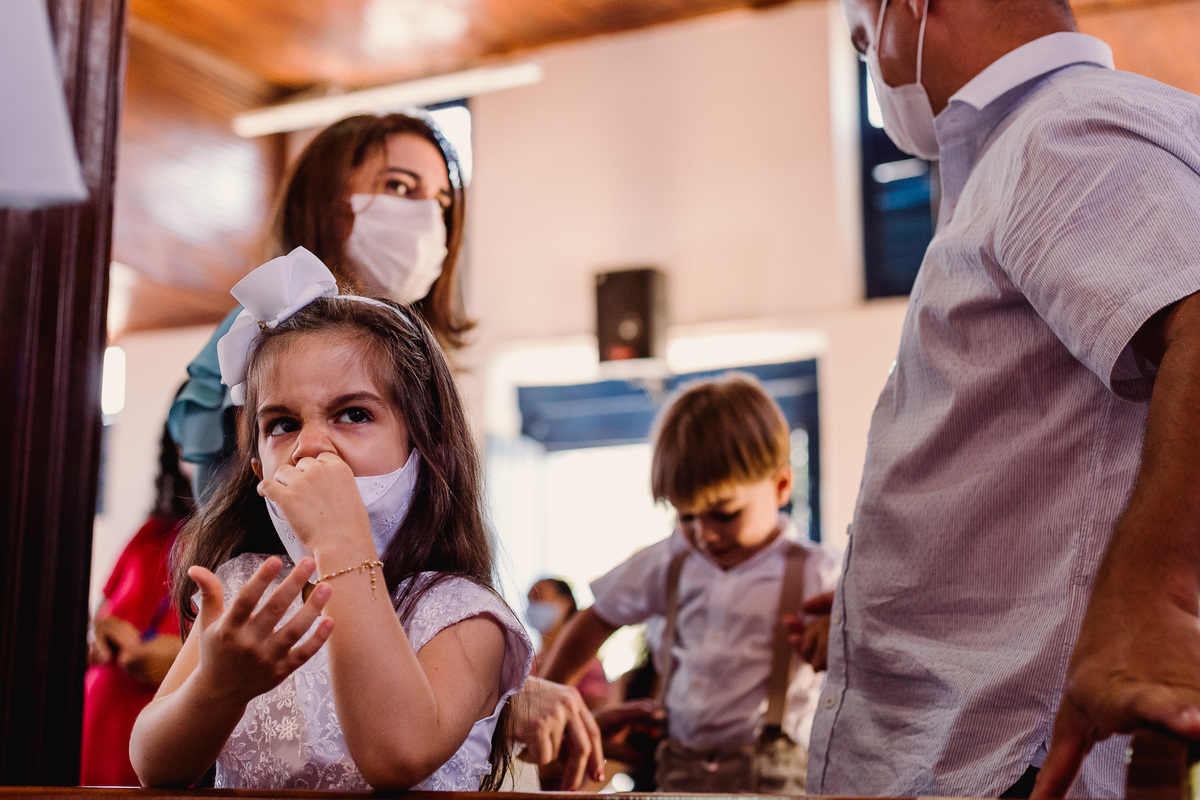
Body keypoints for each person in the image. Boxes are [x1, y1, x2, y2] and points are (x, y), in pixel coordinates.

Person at [804, 1, 1200, 798]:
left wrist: (1155, 598)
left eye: (860, 40)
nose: (871, 69)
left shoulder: (1065, 132)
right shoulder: (1044, 145)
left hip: (1003, 768)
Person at [129, 247, 532, 790]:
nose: (311, 446)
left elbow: (397, 756)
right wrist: (218, 689)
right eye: (282, 424)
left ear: (425, 444)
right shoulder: (250, 589)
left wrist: (342, 542)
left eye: (354, 414)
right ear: (257, 469)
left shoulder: (462, 615)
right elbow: (154, 763)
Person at [541, 373, 841, 793]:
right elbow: (595, 620)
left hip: (775, 771)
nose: (705, 534)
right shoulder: (669, 560)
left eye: (724, 513)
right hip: (678, 760)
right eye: (686, 516)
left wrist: (832, 637)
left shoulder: (818, 571)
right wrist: (551, 699)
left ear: (781, 485)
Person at [169, 109, 472, 504]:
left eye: (440, 202)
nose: (428, 216)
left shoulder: (419, 351)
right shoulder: (264, 323)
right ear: (327, 200)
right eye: (398, 186)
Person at [81, 420, 193, 786]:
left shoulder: (236, 546)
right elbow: (103, 612)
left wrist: (185, 661)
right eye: (183, 434)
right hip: (98, 731)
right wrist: (103, 633)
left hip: (165, 743)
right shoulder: (151, 532)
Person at [527, 578, 611, 709]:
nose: (532, 606)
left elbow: (597, 712)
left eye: (538, 597)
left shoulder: (585, 662)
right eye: (529, 600)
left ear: (565, 604)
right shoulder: (531, 663)